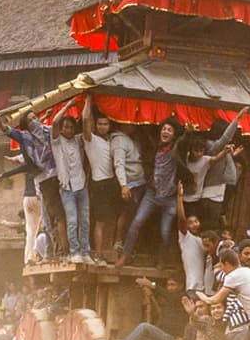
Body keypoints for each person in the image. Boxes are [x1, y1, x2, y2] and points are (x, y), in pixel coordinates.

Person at [0, 109, 68, 259]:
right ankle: (60, 253)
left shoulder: (48, 133)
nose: (36, 121)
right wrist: (0, 124)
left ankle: (56, 252)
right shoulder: (27, 140)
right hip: (45, 184)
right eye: (31, 120)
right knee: (54, 219)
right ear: (27, 125)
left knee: (55, 220)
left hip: (60, 179)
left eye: (36, 117)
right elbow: (9, 131)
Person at [116, 117, 189, 268]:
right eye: (164, 129)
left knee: (165, 231)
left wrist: (187, 134)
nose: (165, 131)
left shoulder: (176, 149)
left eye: (169, 130)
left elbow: (183, 143)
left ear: (174, 135)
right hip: (152, 194)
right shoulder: (155, 148)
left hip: (169, 197)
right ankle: (125, 255)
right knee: (136, 222)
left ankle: (161, 259)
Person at [51, 100, 93, 265]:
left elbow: (86, 121)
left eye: (71, 127)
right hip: (67, 188)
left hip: (81, 185)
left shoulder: (77, 140)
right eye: (65, 127)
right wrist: (68, 107)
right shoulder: (56, 142)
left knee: (85, 220)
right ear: (61, 129)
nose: (68, 130)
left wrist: (86, 103)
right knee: (72, 220)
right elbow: (54, 122)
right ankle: (74, 251)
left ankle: (85, 251)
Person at [81, 95, 118, 266]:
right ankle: (98, 255)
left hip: (111, 182)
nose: (103, 127)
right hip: (99, 183)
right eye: (100, 124)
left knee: (111, 219)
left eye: (106, 124)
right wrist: (88, 102)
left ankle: (107, 252)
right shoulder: (90, 139)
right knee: (100, 222)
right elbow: (85, 120)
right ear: (96, 126)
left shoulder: (111, 141)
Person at [200, 107, 248, 229]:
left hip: (218, 193)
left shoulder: (219, 148)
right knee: (209, 228)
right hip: (211, 195)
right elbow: (225, 138)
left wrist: (232, 155)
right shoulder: (212, 145)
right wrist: (238, 118)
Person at [121, 274, 188, 340]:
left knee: (143, 327)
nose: (169, 288)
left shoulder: (183, 298)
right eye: (168, 285)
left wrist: (150, 284)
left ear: (181, 286)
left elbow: (163, 291)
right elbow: (162, 290)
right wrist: (148, 286)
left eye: (172, 285)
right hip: (162, 336)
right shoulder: (169, 298)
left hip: (173, 339)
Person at [0, 154, 39, 265]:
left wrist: (3, 174)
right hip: (39, 197)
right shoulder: (41, 159)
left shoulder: (27, 163)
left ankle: (28, 258)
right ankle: (39, 256)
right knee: (42, 229)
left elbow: (16, 162)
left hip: (27, 198)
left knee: (30, 231)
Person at [110, 123, 146, 252]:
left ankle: (129, 244)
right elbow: (119, 164)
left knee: (133, 215)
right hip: (129, 184)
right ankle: (118, 241)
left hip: (139, 183)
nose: (134, 125)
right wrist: (123, 185)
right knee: (125, 214)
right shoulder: (119, 140)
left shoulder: (132, 139)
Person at [183, 137, 234, 222]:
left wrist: (225, 151)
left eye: (201, 151)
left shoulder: (205, 160)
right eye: (196, 151)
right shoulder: (185, 157)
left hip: (195, 200)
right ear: (191, 150)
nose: (199, 154)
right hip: (181, 198)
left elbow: (216, 158)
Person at [177, 181, 213, 298]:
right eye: (190, 223)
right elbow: (181, 219)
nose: (194, 224)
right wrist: (179, 198)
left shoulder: (203, 241)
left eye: (196, 221)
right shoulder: (186, 237)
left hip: (205, 287)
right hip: (193, 286)